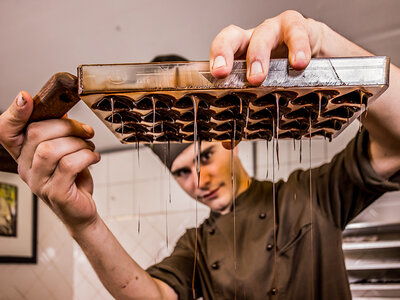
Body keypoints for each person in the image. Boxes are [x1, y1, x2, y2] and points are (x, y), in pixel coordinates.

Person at [0, 10, 399, 300]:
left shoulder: (312, 194)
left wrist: (322, 40)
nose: (199, 182)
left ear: (232, 139)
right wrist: (82, 223)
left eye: (204, 158)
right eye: (182, 173)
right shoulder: (196, 245)